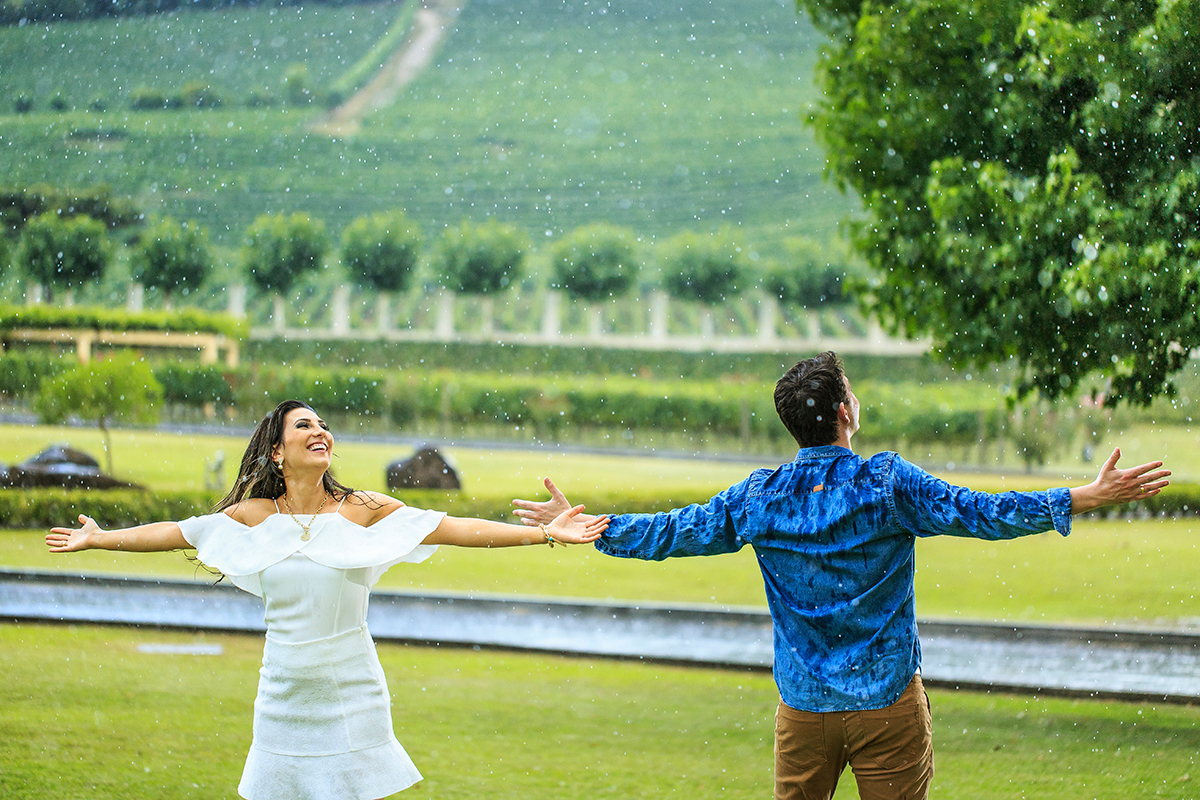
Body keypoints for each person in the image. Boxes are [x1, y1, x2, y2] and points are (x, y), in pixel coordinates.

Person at [512, 351, 1170, 800]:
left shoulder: (760, 497)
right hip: (889, 706)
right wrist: (1083, 496)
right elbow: (983, 512)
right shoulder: (888, 484)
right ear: (845, 413)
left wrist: (588, 526)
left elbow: (675, 530)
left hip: (804, 713)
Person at [47, 399, 609, 800]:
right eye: (304, 425)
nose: (320, 431)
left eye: (323, 425)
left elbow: (453, 527)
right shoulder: (254, 515)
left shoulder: (363, 508)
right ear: (276, 451)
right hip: (282, 692)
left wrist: (546, 533)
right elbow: (177, 532)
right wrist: (99, 538)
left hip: (351, 688)